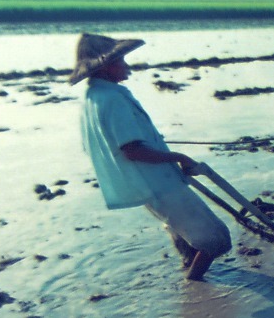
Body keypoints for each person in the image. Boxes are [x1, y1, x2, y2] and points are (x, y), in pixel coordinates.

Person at [71, 33, 231, 281]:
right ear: (106, 66)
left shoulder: (94, 97)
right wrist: (178, 156)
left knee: (183, 233)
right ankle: (194, 288)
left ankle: (188, 267)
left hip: (143, 183)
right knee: (215, 239)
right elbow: (132, 150)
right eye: (121, 61)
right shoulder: (112, 99)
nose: (127, 66)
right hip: (158, 182)